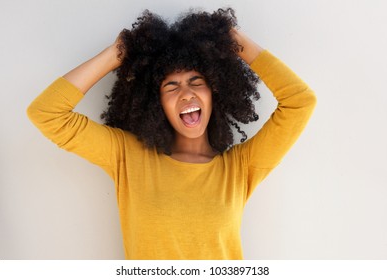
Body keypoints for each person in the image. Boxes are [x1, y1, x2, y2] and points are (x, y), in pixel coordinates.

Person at [27, 8, 316, 259]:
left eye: (196, 81)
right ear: (156, 103)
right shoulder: (128, 157)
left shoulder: (239, 168)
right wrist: (117, 54)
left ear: (215, 90)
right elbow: (47, 113)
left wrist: (235, 42)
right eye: (171, 86)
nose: (186, 94)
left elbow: (300, 102)